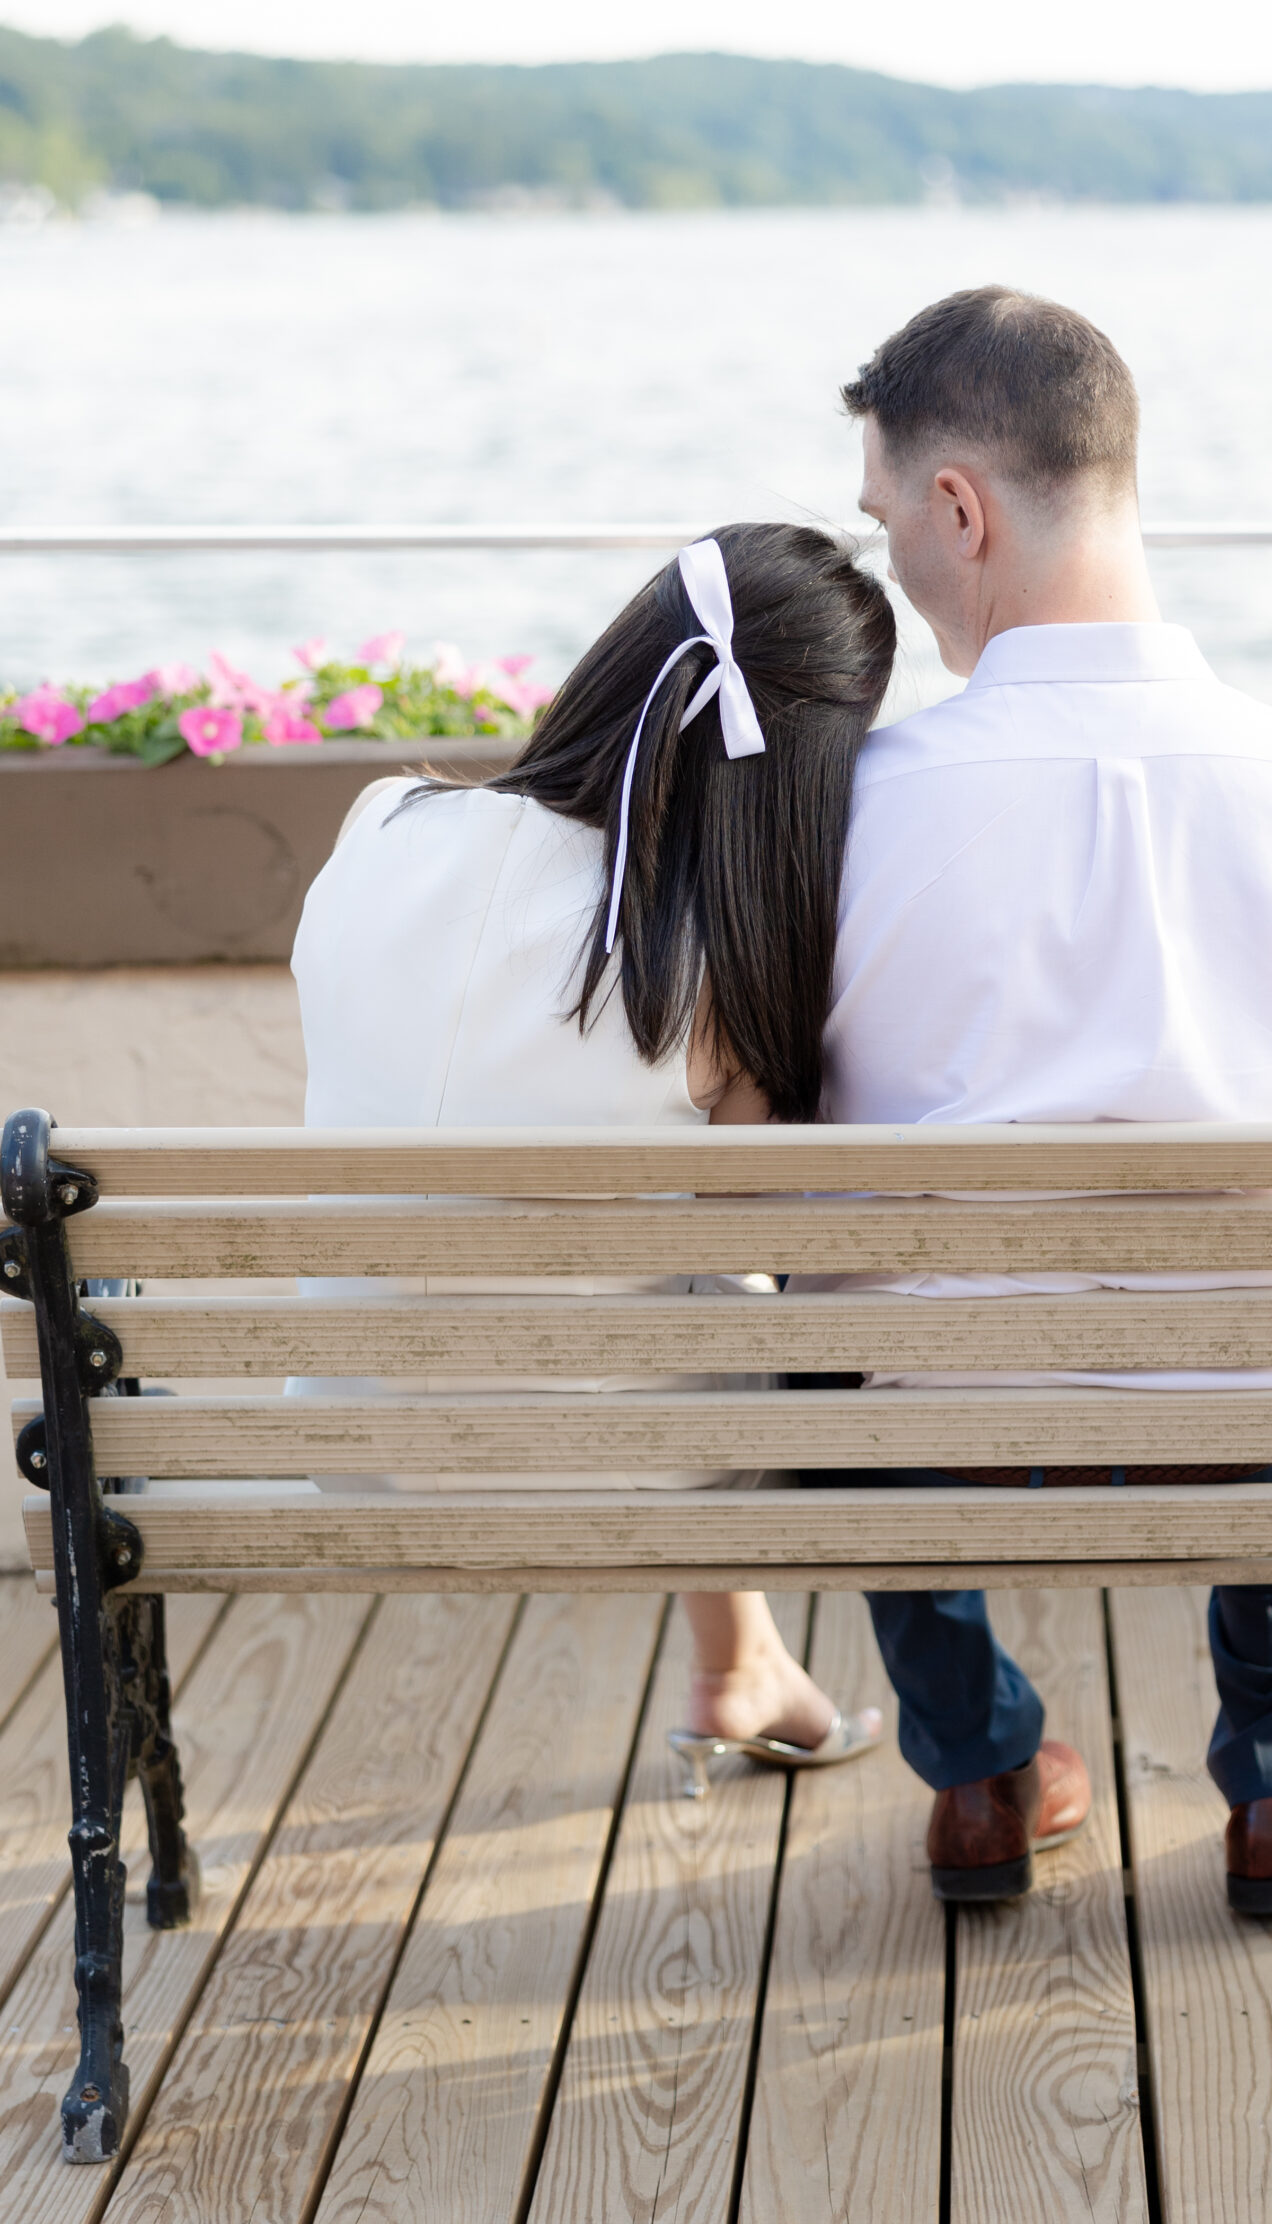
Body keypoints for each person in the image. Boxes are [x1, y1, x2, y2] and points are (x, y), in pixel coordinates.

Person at [824, 286, 1272, 1909]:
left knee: (841, 1320)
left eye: (885, 519)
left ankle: (980, 1771)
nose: (890, 557)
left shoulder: (857, 810)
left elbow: (799, 1157)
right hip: (1257, 1421)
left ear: (958, 507)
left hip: (945, 1435)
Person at [291, 522, 895, 1783]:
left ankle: (743, 1666)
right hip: (605, 1468)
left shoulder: (381, 824)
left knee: (637, 1277)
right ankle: (808, 1684)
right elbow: (762, 1241)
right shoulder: (716, 970)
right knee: (739, 1294)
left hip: (353, 1440)